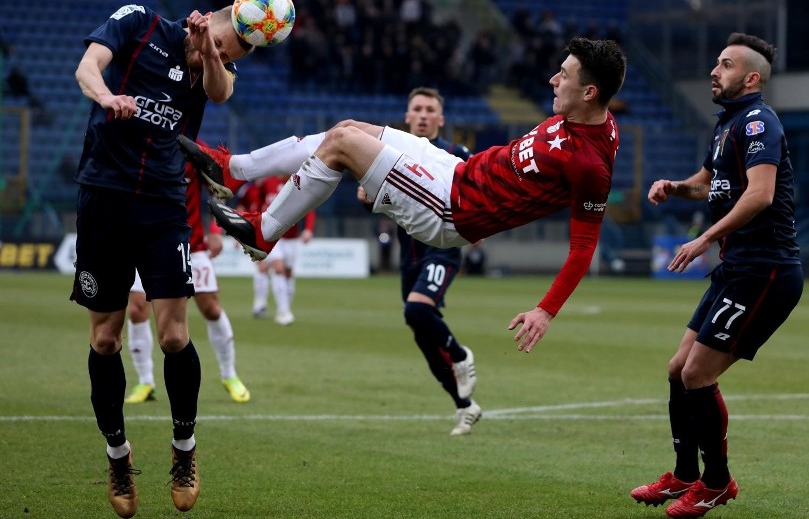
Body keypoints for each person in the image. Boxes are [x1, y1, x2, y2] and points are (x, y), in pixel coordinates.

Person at [180, 37, 626, 356]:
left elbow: (584, 248)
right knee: (348, 128)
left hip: (452, 209)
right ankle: (235, 170)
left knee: (340, 147)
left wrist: (545, 311)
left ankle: (264, 230)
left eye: (563, 75)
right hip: (456, 172)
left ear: (589, 92)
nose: (552, 79)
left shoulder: (589, 164)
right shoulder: (589, 120)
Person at [70, 1, 253, 518]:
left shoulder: (215, 63)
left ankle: (185, 451)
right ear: (211, 17)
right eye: (219, 44)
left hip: (164, 204)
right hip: (103, 197)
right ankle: (118, 457)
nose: (218, 56)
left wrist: (209, 55)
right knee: (105, 339)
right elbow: (87, 66)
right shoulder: (139, 22)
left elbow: (221, 91)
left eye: (230, 54)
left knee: (174, 335)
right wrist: (108, 97)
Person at [630, 33, 803, 518]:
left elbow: (760, 194)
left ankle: (716, 483)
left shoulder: (758, 123)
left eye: (724, 65)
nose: (713, 71)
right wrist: (675, 186)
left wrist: (705, 238)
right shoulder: (727, 123)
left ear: (751, 78)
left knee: (696, 373)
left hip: (765, 271)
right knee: (676, 370)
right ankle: (684, 475)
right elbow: (708, 183)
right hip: (737, 269)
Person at [357, 87, 480, 435]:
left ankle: (460, 355)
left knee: (417, 311)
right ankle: (465, 406)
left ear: (440, 119)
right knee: (422, 333)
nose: (424, 115)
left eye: (430, 110)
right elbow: (369, 196)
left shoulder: (457, 154)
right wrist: (368, 194)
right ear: (407, 117)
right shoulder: (390, 154)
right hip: (409, 254)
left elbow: (477, 195)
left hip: (441, 249)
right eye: (417, 109)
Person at [125, 160, 251, 405]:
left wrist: (215, 230)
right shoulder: (140, 144)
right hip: (146, 244)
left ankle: (229, 374)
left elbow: (217, 188)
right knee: (137, 308)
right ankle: (145, 381)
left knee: (211, 308)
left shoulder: (192, 147)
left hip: (192, 243)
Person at [240, 176, 316, 325]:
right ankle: (281, 310)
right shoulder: (267, 182)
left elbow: (308, 206)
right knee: (277, 268)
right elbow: (256, 203)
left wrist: (308, 229)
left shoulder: (297, 182)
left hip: (291, 237)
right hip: (274, 235)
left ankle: (284, 306)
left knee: (288, 273)